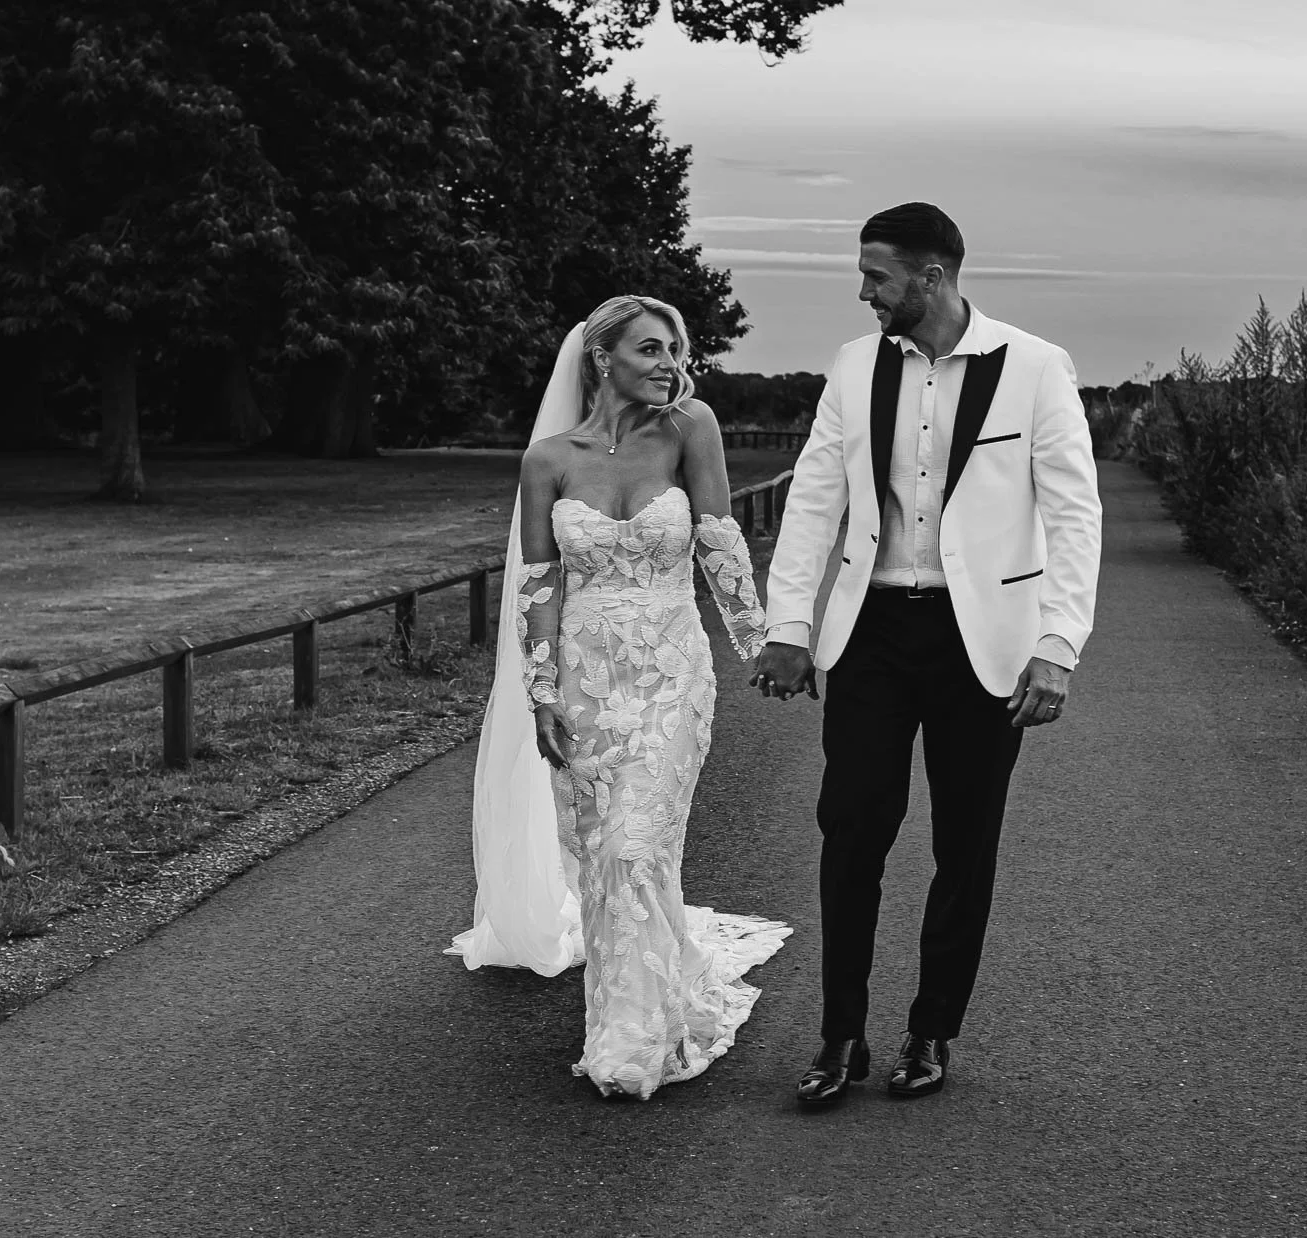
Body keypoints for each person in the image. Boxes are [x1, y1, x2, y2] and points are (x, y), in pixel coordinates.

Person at [753, 203, 1103, 1107]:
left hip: (980, 642)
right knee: (851, 833)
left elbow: (1072, 516)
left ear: (932, 277)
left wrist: (1057, 644)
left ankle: (931, 1029)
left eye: (877, 275)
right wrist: (789, 625)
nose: (863, 292)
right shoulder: (852, 365)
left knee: (964, 844)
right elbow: (814, 501)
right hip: (870, 632)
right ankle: (840, 1036)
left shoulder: (1032, 367)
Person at [448, 294, 790, 1100]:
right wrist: (541, 694)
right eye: (651, 349)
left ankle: (631, 1039)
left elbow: (718, 541)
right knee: (609, 858)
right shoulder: (548, 461)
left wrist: (764, 642)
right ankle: (644, 990)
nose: (672, 364)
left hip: (673, 672)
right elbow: (537, 586)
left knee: (639, 845)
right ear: (602, 357)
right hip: (585, 681)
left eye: (677, 349)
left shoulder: (689, 428)